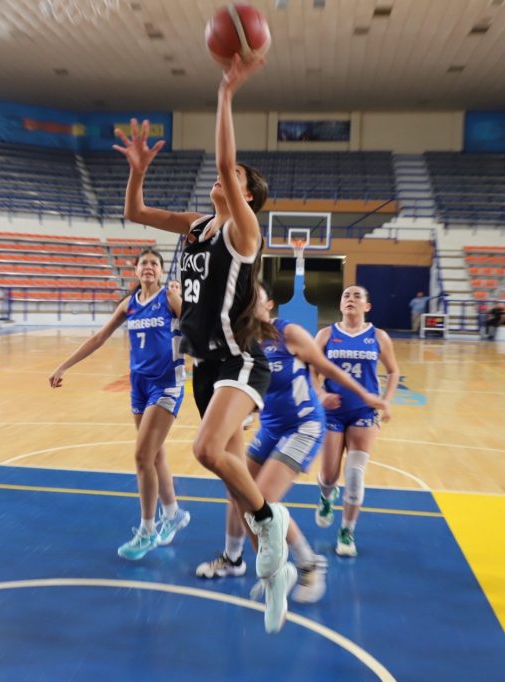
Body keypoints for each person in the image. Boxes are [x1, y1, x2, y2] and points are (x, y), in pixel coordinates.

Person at [115, 55, 295, 634]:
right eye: (226, 172)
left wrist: (225, 93)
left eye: (235, 175)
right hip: (205, 367)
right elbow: (135, 212)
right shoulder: (197, 226)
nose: (223, 176)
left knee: (205, 451)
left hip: (241, 359)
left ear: (248, 197)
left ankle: (270, 523)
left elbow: (221, 159)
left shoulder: (244, 230)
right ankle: (275, 574)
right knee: (232, 470)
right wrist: (138, 170)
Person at [196, 283, 388, 604]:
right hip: (271, 427)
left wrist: (367, 396)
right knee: (236, 488)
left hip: (304, 425)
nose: (248, 304)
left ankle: (309, 562)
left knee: (261, 500)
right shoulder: (241, 342)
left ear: (269, 304)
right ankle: (233, 558)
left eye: (255, 298)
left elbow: (326, 368)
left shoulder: (288, 333)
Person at [49, 248, 191, 560]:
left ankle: (147, 531)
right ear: (136, 270)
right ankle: (173, 514)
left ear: (161, 270)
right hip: (138, 385)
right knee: (155, 455)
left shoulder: (169, 298)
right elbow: (98, 338)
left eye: (155, 263)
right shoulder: (129, 304)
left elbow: (196, 326)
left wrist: (183, 300)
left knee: (142, 456)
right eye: (144, 263)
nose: (149, 267)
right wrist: (63, 366)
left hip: (166, 383)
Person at [312, 285, 400, 558]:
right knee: (329, 475)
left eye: (357, 296)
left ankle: (346, 531)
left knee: (354, 474)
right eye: (346, 296)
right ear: (341, 305)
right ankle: (327, 496)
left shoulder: (378, 336)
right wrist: (321, 394)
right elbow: (311, 371)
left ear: (367, 306)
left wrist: (386, 400)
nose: (350, 299)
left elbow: (393, 371)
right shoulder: (326, 335)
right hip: (332, 411)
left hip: (364, 412)